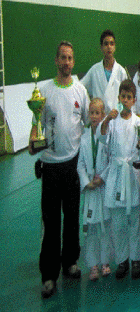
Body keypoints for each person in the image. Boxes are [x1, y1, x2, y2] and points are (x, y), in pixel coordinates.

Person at [30, 41, 89, 298]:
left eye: (70, 58)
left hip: (72, 163)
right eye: (62, 57)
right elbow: (37, 123)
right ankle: (48, 275)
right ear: (56, 60)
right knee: (51, 221)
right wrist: (33, 142)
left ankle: (70, 262)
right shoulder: (44, 91)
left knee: (72, 216)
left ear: (73, 62)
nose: (66, 62)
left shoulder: (80, 90)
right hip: (51, 166)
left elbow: (87, 123)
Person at [100, 79, 140, 280]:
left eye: (129, 97)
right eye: (123, 96)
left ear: (134, 100)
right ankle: (122, 260)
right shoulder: (112, 120)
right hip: (116, 174)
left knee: (134, 220)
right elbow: (103, 139)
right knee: (117, 224)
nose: (125, 100)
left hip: (131, 173)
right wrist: (106, 120)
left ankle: (135, 260)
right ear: (118, 98)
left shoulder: (138, 122)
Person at [77, 98, 112, 282]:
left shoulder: (106, 136)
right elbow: (80, 164)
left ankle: (105, 262)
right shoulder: (83, 138)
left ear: (103, 115)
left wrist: (103, 178)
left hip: (103, 186)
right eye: (91, 113)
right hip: (91, 187)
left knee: (105, 226)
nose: (94, 116)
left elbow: (111, 160)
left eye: (98, 113)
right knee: (90, 228)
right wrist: (86, 182)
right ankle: (92, 265)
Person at [81, 30, 129, 113]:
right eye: (106, 44)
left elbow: (127, 97)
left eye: (111, 43)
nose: (109, 47)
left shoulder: (121, 71)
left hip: (116, 116)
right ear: (101, 47)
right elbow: (81, 87)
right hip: (99, 117)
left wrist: (119, 112)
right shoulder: (94, 70)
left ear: (114, 47)